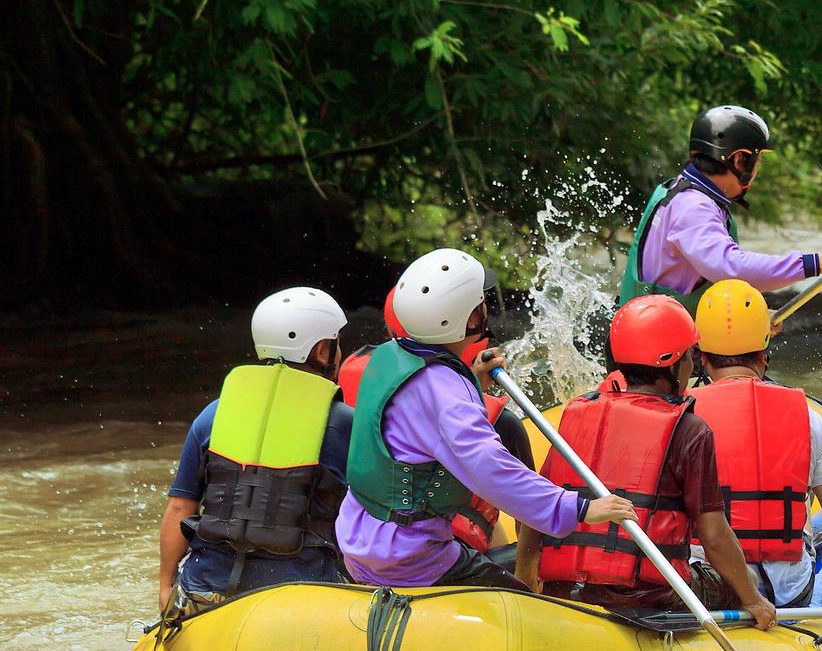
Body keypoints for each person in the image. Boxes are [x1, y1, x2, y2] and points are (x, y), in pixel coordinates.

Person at [337, 248, 636, 589]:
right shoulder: (449, 398)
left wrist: (471, 381)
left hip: (357, 540)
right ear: (467, 320)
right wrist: (578, 509)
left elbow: (421, 413)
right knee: (524, 602)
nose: (485, 309)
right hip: (408, 559)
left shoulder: (387, 358)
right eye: (481, 304)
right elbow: (491, 469)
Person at [517, 294, 777, 628]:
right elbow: (713, 535)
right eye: (690, 357)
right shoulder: (689, 429)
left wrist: (527, 587)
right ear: (672, 363)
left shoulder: (579, 412)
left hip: (569, 590)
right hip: (649, 597)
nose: (692, 366)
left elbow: (536, 511)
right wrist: (753, 600)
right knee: (743, 579)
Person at [157, 287, 354, 617]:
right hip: (300, 595)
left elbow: (180, 507)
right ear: (322, 351)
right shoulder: (344, 423)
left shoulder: (213, 414)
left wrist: (165, 587)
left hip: (206, 589)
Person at [687, 280, 822, 609]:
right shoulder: (804, 416)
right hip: (788, 591)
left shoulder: (680, 415)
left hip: (711, 585)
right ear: (763, 354)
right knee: (806, 484)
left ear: (701, 358)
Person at [339, 286, 527, 557]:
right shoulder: (503, 422)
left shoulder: (364, 382)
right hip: (434, 548)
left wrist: (470, 383)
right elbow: (530, 522)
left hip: (358, 543)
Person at [617, 104, 822, 311]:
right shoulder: (693, 207)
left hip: (653, 334)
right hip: (653, 349)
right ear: (738, 158)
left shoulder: (682, 191)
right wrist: (815, 263)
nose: (757, 170)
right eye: (757, 160)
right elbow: (729, 267)